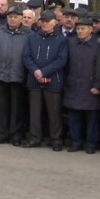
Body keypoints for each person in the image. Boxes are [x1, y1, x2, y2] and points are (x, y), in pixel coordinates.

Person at [21, 10, 68, 150]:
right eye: (43, 21)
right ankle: (35, 138)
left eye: (48, 21)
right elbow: (26, 56)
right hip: (34, 80)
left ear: (55, 23)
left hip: (53, 81)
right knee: (34, 112)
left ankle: (56, 140)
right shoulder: (32, 38)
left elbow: (61, 60)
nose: (45, 24)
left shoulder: (62, 39)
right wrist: (36, 72)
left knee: (54, 113)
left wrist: (44, 72)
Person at [0, 6, 30, 146]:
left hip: (18, 77)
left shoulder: (28, 35)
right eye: (10, 17)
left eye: (16, 17)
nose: (12, 19)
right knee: (1, 107)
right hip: (0, 76)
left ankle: (15, 135)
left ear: (21, 18)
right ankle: (1, 133)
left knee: (16, 108)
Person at [63, 17, 100, 154]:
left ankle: (91, 143)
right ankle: (75, 142)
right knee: (74, 117)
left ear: (91, 29)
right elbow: (65, 65)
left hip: (91, 86)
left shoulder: (98, 44)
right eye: (78, 28)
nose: (80, 31)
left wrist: (98, 85)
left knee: (92, 118)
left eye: (83, 28)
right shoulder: (70, 43)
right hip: (73, 85)